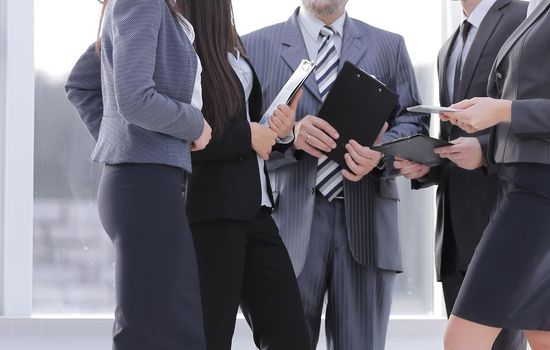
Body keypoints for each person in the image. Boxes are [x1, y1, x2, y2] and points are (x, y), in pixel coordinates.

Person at [242, 1, 429, 349]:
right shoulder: (253, 47)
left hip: (367, 227)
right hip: (286, 227)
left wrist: (380, 153)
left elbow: (413, 121)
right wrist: (289, 135)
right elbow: (240, 132)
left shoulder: (390, 46)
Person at [440, 0, 550, 348]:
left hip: (542, 189)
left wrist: (501, 111)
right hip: (526, 182)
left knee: (462, 339)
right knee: (548, 337)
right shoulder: (540, 5)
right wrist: (485, 130)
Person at [64, 0, 211, 348]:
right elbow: (134, 99)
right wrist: (194, 125)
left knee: (160, 330)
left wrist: (128, 140)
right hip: (145, 186)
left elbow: (81, 83)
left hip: (143, 184)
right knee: (157, 334)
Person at [394, 0, 528, 349]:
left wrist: (485, 150)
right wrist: (427, 164)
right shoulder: (449, 46)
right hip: (454, 235)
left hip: (501, 222)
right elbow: (455, 139)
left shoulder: (523, 15)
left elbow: (536, 116)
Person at [179, 0, 312, 349]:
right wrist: (247, 134)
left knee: (292, 337)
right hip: (214, 216)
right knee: (212, 338)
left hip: (257, 210)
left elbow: (247, 128)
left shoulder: (232, 46)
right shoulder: (184, 49)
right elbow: (188, 134)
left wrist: (278, 132)